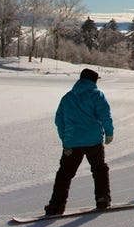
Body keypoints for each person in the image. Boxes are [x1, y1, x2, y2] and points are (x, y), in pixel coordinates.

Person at [44, 68, 114, 215]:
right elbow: (105, 115)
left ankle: (56, 207)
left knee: (64, 174)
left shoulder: (67, 97)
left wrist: (65, 141)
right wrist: (109, 133)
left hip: (72, 143)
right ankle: (102, 200)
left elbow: (59, 121)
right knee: (99, 169)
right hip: (93, 141)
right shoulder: (96, 95)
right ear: (93, 80)